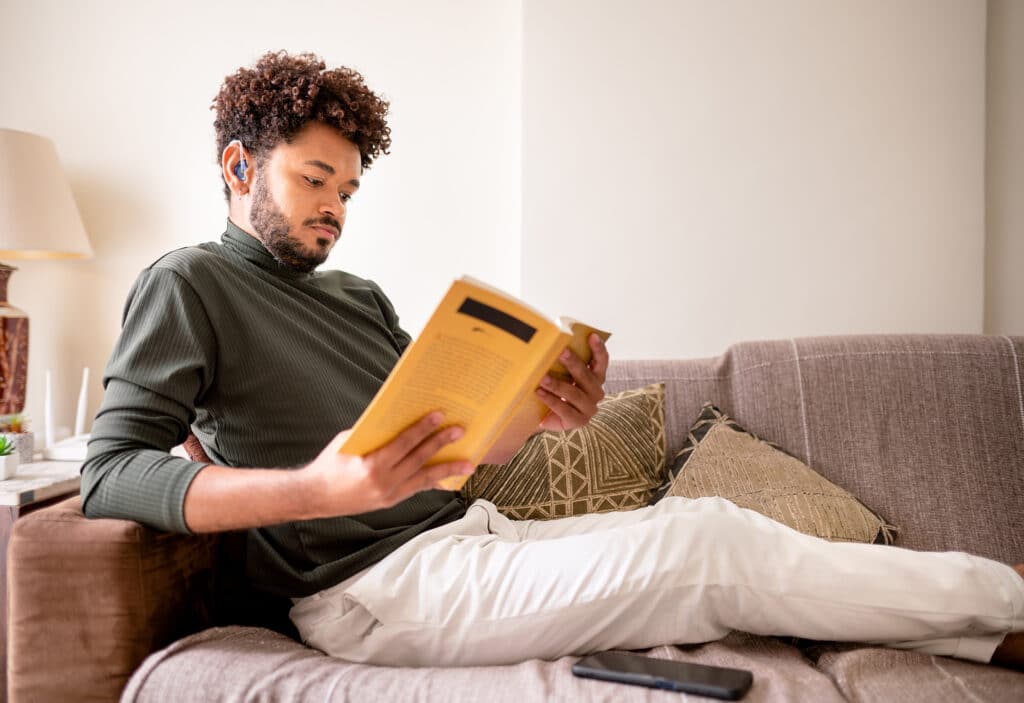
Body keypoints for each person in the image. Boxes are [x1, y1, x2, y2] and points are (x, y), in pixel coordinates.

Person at [82, 50, 1024, 671]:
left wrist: (541, 412)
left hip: (470, 534)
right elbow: (112, 476)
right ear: (241, 168)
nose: (336, 206)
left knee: (708, 520)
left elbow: (455, 450)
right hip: (372, 592)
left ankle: (990, 631)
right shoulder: (188, 284)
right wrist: (320, 490)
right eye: (314, 180)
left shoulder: (354, 296)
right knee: (705, 549)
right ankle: (1007, 603)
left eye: (349, 188)